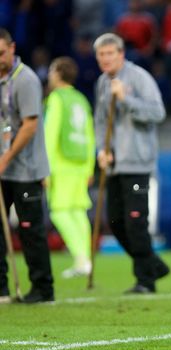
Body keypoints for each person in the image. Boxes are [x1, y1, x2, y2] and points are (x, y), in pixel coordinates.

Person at [93, 33, 170, 294]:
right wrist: (101, 150)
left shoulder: (139, 78)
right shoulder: (102, 83)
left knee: (136, 223)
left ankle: (145, 280)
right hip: (114, 164)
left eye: (109, 54)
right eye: (101, 55)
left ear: (121, 53)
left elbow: (158, 113)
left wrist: (127, 99)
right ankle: (154, 264)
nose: (105, 59)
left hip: (138, 162)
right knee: (115, 223)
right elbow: (100, 122)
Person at [0, 28, 54, 303]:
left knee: (29, 228)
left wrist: (5, 158)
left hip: (25, 169)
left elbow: (30, 124)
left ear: (12, 47)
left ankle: (43, 288)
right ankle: (1, 287)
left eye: (1, 53)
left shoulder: (26, 80)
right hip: (2, 167)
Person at [45, 56, 95, 279]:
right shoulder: (80, 99)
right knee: (78, 212)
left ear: (57, 73)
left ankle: (82, 259)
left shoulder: (56, 99)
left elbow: (50, 134)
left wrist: (45, 168)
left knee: (59, 212)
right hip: (80, 163)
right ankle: (84, 260)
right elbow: (90, 136)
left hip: (61, 164)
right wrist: (89, 168)